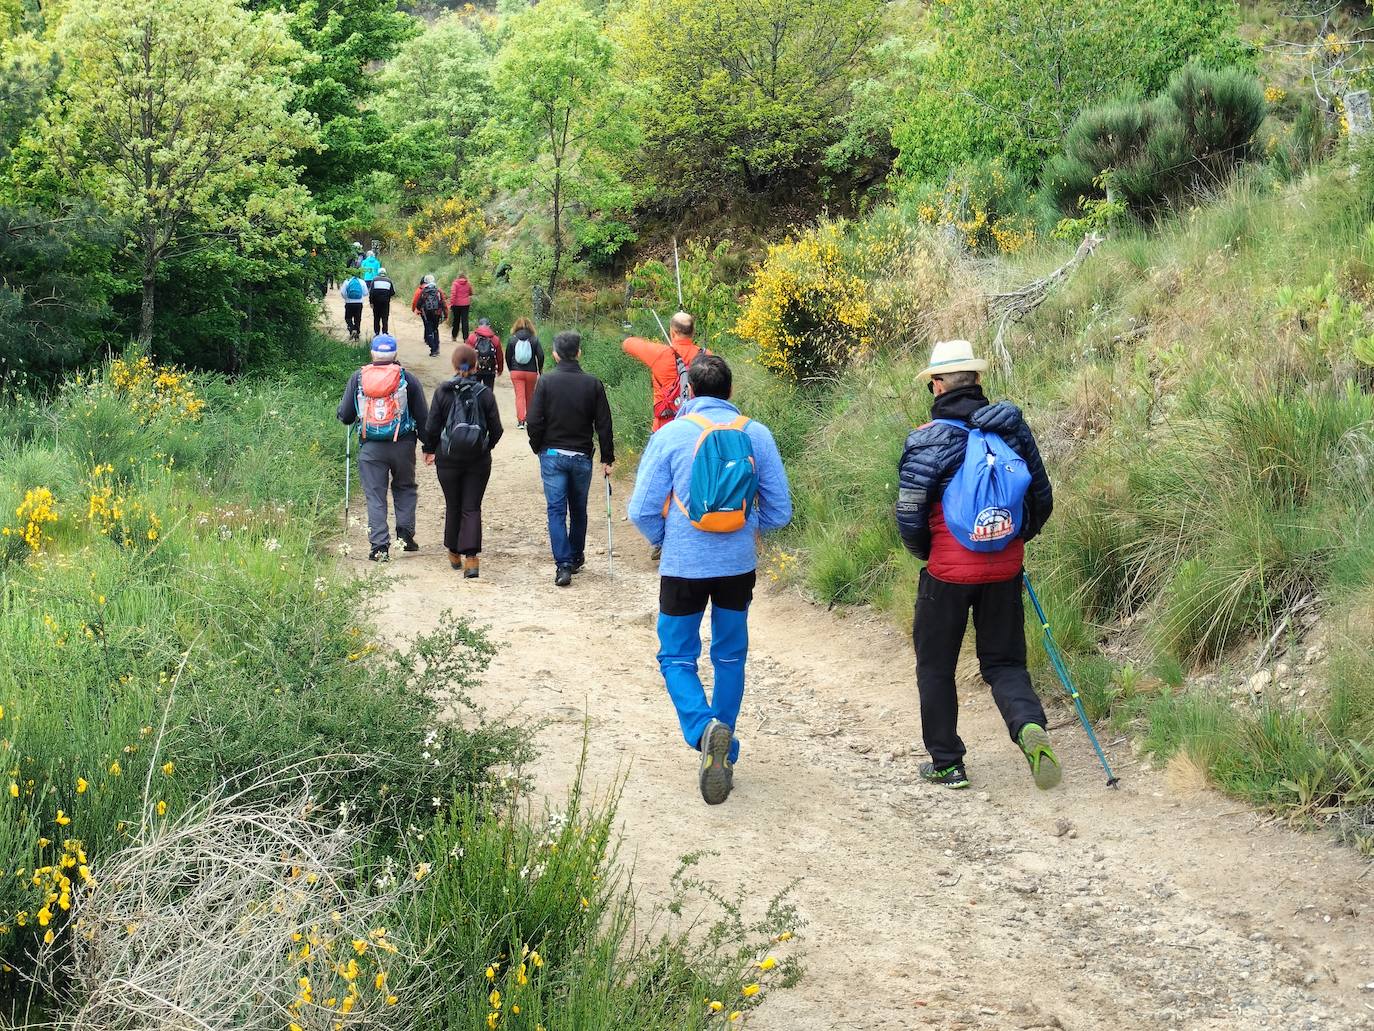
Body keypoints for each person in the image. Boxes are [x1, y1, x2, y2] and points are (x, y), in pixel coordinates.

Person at [628, 354, 792, 805]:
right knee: (729, 657)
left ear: (689, 393)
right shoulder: (755, 434)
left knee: (677, 657)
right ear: (731, 392)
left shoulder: (670, 435)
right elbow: (781, 510)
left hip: (683, 566)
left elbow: (641, 508)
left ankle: (705, 732)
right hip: (737, 567)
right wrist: (748, 523)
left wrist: (668, 538)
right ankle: (725, 748)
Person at [895, 339, 1058, 791]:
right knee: (1005, 664)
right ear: (978, 381)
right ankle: (1028, 728)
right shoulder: (1012, 432)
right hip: (1005, 568)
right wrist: (1009, 541)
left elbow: (909, 516)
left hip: (946, 573)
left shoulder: (926, 440)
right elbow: (1041, 501)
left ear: (937, 385)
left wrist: (931, 554)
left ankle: (947, 763)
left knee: (935, 667)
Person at [526, 331, 614, 588]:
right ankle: (576, 556)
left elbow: (533, 421)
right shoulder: (593, 383)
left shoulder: (546, 382)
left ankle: (563, 565)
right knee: (578, 509)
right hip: (581, 456)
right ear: (579, 353)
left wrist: (538, 446)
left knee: (555, 510)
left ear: (554, 354)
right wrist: (607, 457)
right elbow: (604, 424)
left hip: (552, 454)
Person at [337, 334, 429, 563]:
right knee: (405, 487)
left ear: (372, 354)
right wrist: (429, 444)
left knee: (375, 495)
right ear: (395, 355)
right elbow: (423, 416)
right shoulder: (407, 379)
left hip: (371, 447)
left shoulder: (358, 378)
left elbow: (346, 415)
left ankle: (379, 548)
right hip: (403, 443)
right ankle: (405, 536)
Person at [423, 342, 503, 579]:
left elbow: (431, 426)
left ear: (453, 364)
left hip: (447, 458)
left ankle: (453, 552)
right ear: (476, 364)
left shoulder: (443, 391)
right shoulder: (484, 393)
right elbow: (496, 429)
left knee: (453, 505)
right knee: (472, 506)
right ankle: (472, 560)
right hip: (478, 460)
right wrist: (485, 446)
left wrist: (430, 449)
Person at [621, 311, 706, 434]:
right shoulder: (707, 356)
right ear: (693, 332)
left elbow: (627, 344)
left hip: (664, 428)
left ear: (672, 332)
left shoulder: (660, 353)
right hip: (699, 427)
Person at [505, 316, 544, 429]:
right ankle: (530, 420)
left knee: (520, 396)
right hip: (531, 372)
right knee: (530, 396)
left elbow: (508, 356)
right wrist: (539, 369)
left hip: (516, 372)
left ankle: (521, 421)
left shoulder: (512, 339)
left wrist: (511, 368)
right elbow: (540, 355)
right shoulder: (534, 339)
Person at [411, 274, 449, 358]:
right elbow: (443, 303)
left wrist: (417, 310)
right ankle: (437, 348)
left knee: (429, 330)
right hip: (437, 313)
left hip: (427, 313)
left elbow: (419, 303)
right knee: (435, 329)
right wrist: (446, 315)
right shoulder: (438, 291)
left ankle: (433, 349)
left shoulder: (424, 291)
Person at [466, 318, 504, 392]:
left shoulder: (472, 337)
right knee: (488, 393)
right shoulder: (495, 339)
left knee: (474, 392)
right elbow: (500, 357)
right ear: (489, 326)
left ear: (478, 326)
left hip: (475, 369)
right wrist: (500, 369)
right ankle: (487, 403)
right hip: (490, 370)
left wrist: (465, 369)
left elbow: (466, 355)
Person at [368, 267, 396, 336]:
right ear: (385, 273)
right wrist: (387, 295)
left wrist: (371, 302)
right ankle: (385, 332)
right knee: (385, 317)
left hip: (376, 302)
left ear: (378, 273)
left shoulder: (374, 280)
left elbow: (371, 292)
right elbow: (393, 292)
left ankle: (377, 332)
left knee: (376, 317)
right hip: (385, 302)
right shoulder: (389, 281)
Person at [340, 272, 367, 341]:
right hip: (359, 303)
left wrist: (346, 298)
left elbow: (342, 292)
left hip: (349, 303)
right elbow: (365, 293)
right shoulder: (362, 282)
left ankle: (352, 330)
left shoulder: (347, 281)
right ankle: (357, 334)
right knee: (357, 319)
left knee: (348, 318)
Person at [449, 273, 473, 341]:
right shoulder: (468, 283)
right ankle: (466, 338)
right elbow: (471, 292)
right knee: (465, 321)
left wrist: (451, 303)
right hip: (465, 305)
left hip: (456, 305)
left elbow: (453, 294)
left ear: (458, 277)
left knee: (456, 320)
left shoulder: (455, 284)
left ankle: (454, 336)